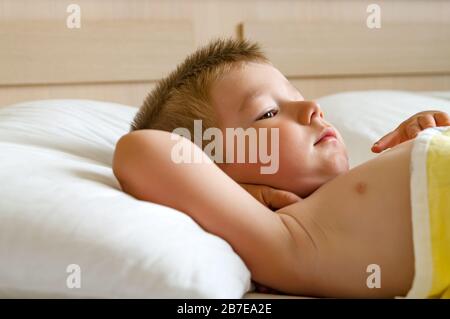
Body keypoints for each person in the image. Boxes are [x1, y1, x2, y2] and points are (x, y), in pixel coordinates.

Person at [113, 38, 450, 298]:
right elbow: (140, 150)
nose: (312, 108)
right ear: (211, 170)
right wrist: (230, 191)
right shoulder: (290, 238)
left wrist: (425, 139)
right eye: (269, 112)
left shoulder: (348, 190)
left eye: (298, 96)